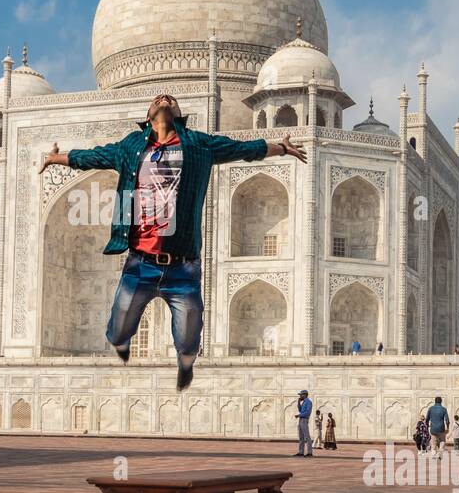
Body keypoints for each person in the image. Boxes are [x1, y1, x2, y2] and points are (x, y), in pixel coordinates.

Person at [39, 92, 307, 391]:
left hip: (183, 262)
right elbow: (94, 155)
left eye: (170, 98)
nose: (163, 99)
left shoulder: (198, 144)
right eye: (156, 99)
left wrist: (280, 149)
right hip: (140, 259)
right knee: (118, 329)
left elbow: (241, 148)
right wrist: (57, 158)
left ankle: (186, 365)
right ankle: (122, 345)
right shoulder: (130, 146)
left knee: (190, 334)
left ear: (178, 113)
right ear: (148, 113)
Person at [293, 390, 314, 457]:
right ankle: (301, 452)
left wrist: (299, 415)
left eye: (301, 395)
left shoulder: (309, 402)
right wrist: (299, 403)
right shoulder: (304, 402)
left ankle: (310, 452)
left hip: (304, 420)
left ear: (305, 395)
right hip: (301, 420)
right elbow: (300, 410)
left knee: (307, 437)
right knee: (301, 437)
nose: (300, 396)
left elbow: (308, 413)